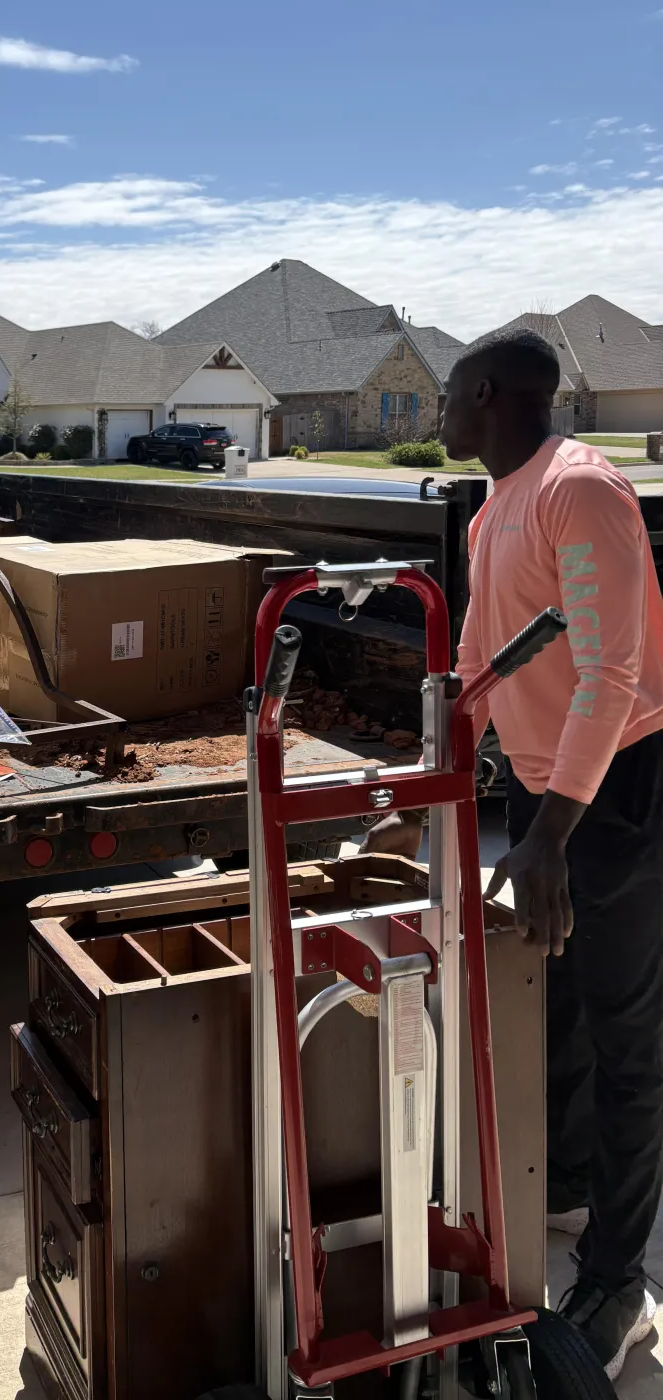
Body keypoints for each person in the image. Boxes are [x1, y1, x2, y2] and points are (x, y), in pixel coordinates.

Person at [366, 326, 663, 1379]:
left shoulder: (580, 491)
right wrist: (423, 790)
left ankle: (620, 1277)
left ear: (484, 391)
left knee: (631, 1037)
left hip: (615, 790)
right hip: (554, 793)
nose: (434, 408)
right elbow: (480, 667)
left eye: (444, 391)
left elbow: (612, 674)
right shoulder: (497, 506)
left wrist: (546, 835)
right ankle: (570, 1184)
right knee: (566, 1000)